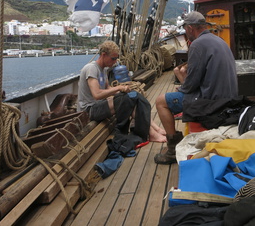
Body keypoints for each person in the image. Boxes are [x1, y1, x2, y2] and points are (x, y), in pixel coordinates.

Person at [154, 12, 239, 164]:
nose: (186, 32)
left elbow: (191, 83)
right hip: (229, 99)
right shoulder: (219, 40)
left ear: (191, 28)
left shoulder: (197, 45)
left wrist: (181, 88)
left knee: (161, 102)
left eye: (186, 29)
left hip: (210, 102)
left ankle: (173, 149)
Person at [77, 40, 166, 142]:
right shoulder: (91, 68)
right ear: (103, 55)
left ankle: (156, 129)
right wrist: (119, 88)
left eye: (116, 59)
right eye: (113, 58)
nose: (115, 62)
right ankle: (152, 134)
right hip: (89, 110)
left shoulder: (104, 69)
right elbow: (97, 94)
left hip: (99, 104)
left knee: (132, 96)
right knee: (128, 101)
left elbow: (108, 89)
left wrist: (123, 91)